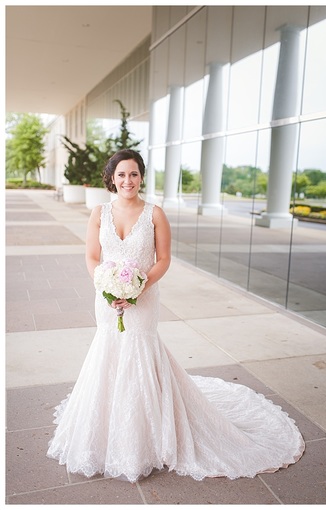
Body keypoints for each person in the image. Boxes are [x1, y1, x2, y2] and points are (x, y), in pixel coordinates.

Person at [47, 149, 304, 483]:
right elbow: (92, 257)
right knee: (109, 351)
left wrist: (137, 289)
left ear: (142, 177)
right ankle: (107, 427)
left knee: (139, 352)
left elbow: (163, 259)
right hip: (107, 301)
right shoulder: (99, 213)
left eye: (135, 174)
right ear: (111, 177)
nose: (128, 181)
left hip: (144, 298)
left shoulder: (155, 214)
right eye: (122, 174)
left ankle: (148, 436)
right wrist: (107, 289)